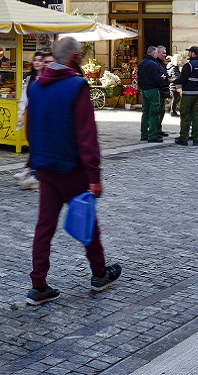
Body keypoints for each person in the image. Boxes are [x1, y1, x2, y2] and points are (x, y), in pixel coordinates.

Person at [24, 36, 121, 306]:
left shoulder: (36, 85)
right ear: (76, 58)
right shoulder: (77, 86)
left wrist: (37, 160)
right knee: (87, 221)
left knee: (44, 226)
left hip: (46, 167)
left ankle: (38, 284)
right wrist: (94, 176)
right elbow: (86, 136)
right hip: (71, 167)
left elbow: (31, 128)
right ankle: (99, 273)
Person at [15, 51, 54, 189]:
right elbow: (24, 97)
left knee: (39, 144)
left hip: (44, 114)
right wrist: (20, 114)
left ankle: (34, 172)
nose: (38, 62)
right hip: (32, 113)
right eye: (35, 60)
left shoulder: (47, 78)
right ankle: (31, 170)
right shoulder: (30, 78)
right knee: (33, 141)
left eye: (41, 60)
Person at [174, 46, 198, 146]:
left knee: (185, 115)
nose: (188, 54)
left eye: (189, 52)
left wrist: (173, 81)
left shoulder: (189, 65)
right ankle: (196, 139)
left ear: (193, 53)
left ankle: (184, 138)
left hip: (188, 94)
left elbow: (182, 79)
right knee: (196, 116)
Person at [138, 46, 166, 143]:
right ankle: (152, 135)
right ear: (154, 54)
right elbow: (157, 78)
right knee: (154, 112)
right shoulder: (153, 64)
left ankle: (144, 134)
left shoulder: (141, 64)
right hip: (153, 89)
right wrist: (162, 79)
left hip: (144, 90)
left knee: (145, 112)